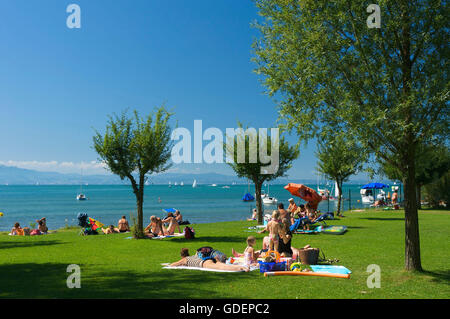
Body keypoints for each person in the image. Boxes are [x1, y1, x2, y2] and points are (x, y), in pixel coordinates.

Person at [169, 248, 249, 272]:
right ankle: (241, 267)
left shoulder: (185, 259)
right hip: (207, 259)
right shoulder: (193, 256)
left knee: (221, 267)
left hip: (203, 263)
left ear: (183, 256)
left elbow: (174, 264)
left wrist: (168, 265)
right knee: (221, 265)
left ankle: (241, 268)